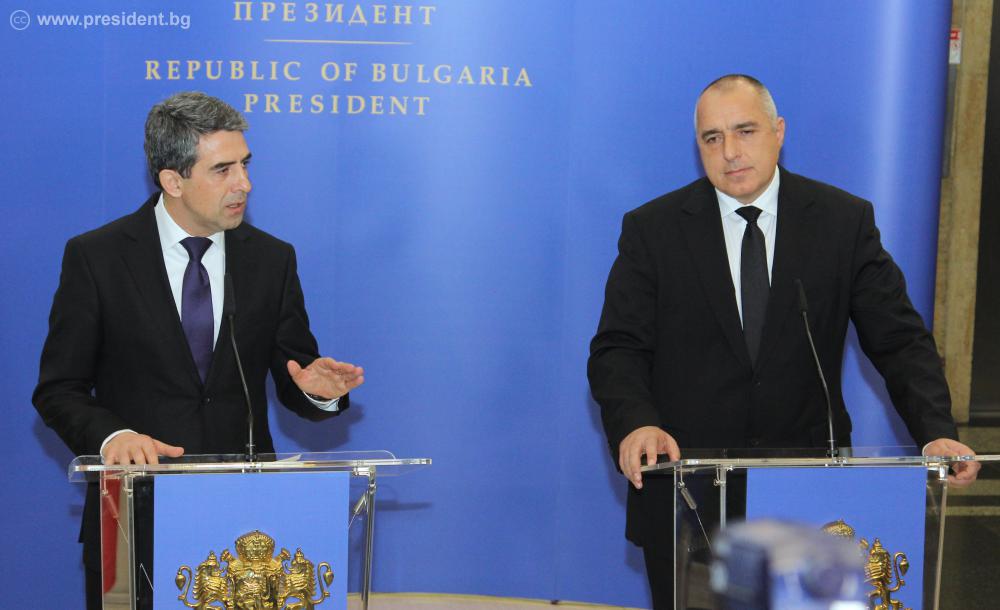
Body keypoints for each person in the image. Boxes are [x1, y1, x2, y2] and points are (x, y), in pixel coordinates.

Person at [587, 74, 979, 609]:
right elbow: (618, 348)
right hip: (690, 496)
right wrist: (637, 422)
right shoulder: (653, 229)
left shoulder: (841, 222)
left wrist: (935, 432)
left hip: (809, 491)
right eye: (712, 138)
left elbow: (900, 341)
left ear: (779, 132)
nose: (729, 151)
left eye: (745, 131)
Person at [32, 91, 364, 609]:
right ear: (173, 180)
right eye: (223, 170)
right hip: (136, 519)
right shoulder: (97, 257)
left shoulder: (271, 259)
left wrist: (316, 391)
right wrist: (114, 436)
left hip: (250, 533)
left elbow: (293, 375)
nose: (244, 184)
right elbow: (59, 390)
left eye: (246, 165)